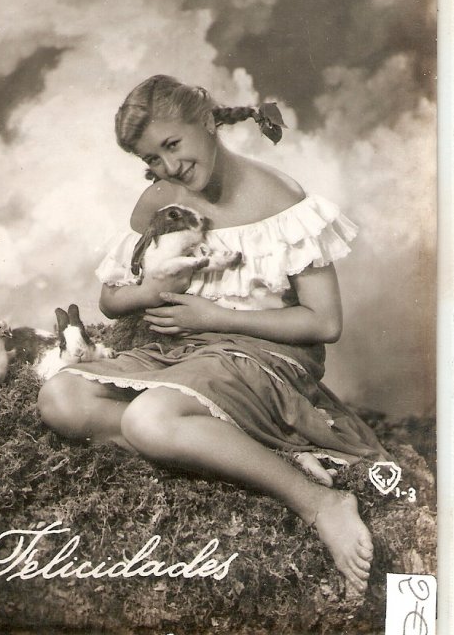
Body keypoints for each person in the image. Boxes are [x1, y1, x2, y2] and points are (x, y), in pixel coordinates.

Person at [38, 75, 389, 595]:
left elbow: (323, 324)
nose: (168, 167)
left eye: (173, 145)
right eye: (152, 158)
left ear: (206, 121)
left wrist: (213, 317)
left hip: (264, 362)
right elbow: (112, 300)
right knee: (61, 398)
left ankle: (319, 502)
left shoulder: (281, 199)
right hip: (179, 355)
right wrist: (152, 288)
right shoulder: (157, 201)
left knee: (150, 417)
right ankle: (241, 452)